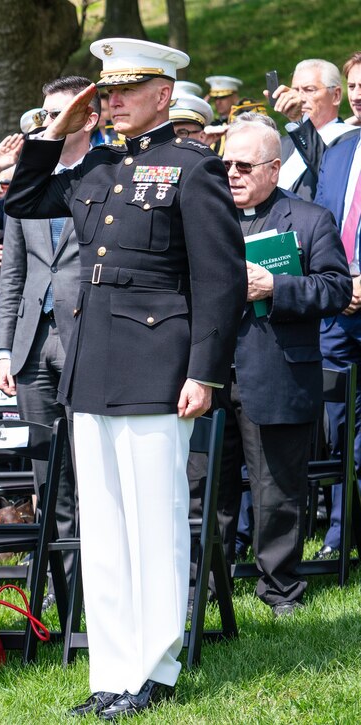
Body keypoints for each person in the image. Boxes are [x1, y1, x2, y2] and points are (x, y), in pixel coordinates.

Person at [5, 38, 246, 718]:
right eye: (104, 92)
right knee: (104, 524)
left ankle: (155, 665)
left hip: (158, 365)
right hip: (93, 363)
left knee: (154, 520)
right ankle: (110, 670)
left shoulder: (192, 167)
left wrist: (205, 371)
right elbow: (22, 200)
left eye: (123, 90)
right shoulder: (100, 164)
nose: (110, 101)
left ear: (163, 94)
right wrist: (58, 127)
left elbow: (219, 281)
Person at [213, 117, 351, 616]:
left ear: (273, 169)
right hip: (210, 372)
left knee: (276, 490)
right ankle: (211, 586)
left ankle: (279, 587)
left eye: (243, 165)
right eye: (224, 163)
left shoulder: (310, 219)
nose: (231, 173)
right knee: (208, 486)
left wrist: (277, 288)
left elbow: (337, 289)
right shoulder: (208, 217)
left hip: (277, 372)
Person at [0, 76, 98, 604]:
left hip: (86, 337)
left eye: (60, 112)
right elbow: (13, 273)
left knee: (89, 466)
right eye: (44, 111)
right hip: (34, 342)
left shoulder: (105, 176)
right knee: (46, 469)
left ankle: (94, 574)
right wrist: (5, 349)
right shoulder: (28, 183)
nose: (48, 122)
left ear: (89, 118)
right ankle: (58, 581)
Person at [312, 50, 361, 560]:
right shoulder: (342, 151)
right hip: (338, 314)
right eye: (352, 85)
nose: (359, 93)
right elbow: (325, 225)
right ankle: (342, 533)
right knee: (339, 430)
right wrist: (339, 283)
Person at [270, 59, 358, 200]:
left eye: (309, 90)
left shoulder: (352, 140)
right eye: (295, 90)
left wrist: (298, 120)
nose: (299, 98)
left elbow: (330, 177)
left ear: (336, 95)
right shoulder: (283, 144)